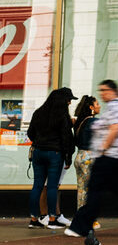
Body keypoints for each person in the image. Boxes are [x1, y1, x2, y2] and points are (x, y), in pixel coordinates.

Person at [65, 79, 118, 245]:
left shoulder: (116, 106)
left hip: (111, 156)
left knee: (95, 190)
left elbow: (116, 128)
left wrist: (103, 147)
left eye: (104, 90)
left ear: (112, 91)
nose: (102, 94)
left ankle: (80, 226)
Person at [25, 87, 75, 229]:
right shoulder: (62, 116)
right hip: (55, 154)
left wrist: (40, 143)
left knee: (37, 186)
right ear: (62, 100)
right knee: (52, 186)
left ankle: (34, 219)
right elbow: (66, 138)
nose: (70, 103)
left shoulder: (39, 112)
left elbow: (30, 133)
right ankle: (52, 219)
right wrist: (68, 157)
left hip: (38, 152)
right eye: (68, 100)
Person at [70, 95, 98, 215]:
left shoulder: (79, 122)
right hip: (89, 157)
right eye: (97, 104)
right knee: (91, 190)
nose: (99, 106)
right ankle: (90, 219)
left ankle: (80, 216)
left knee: (81, 190)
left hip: (79, 156)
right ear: (91, 107)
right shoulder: (93, 121)